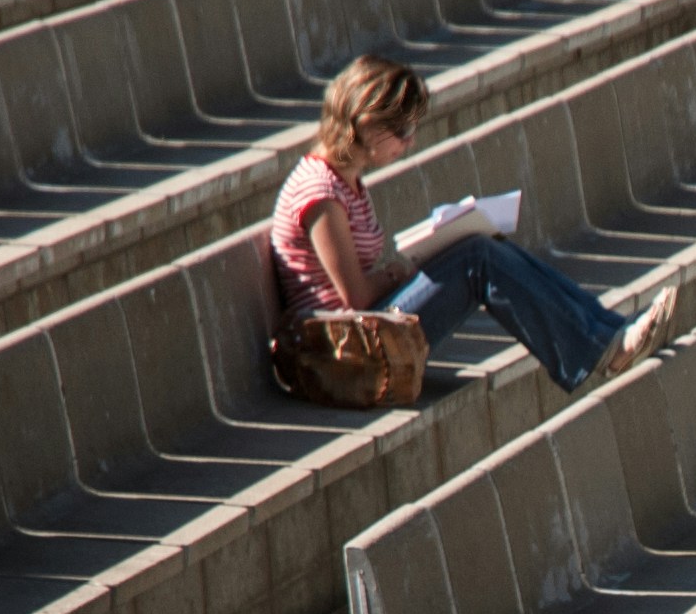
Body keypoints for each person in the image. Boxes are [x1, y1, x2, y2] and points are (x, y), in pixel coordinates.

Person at [266, 55, 675, 395]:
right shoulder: (319, 193)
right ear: (367, 121)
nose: (409, 144)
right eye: (402, 130)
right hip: (352, 350)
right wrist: (400, 270)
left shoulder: (346, 181)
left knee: (482, 243)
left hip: (365, 336)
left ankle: (609, 332)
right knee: (477, 258)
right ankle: (601, 348)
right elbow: (354, 297)